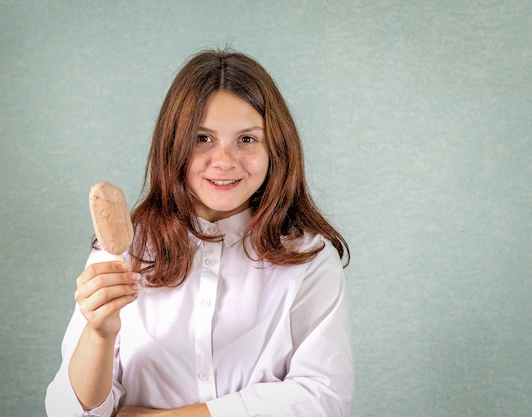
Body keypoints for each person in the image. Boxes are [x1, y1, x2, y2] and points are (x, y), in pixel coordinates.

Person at [45, 49, 354, 417]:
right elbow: (70, 411)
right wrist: (99, 333)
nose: (224, 160)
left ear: (277, 147)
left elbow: (323, 400)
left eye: (247, 139)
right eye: (203, 138)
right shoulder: (123, 252)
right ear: (172, 144)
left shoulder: (309, 257)